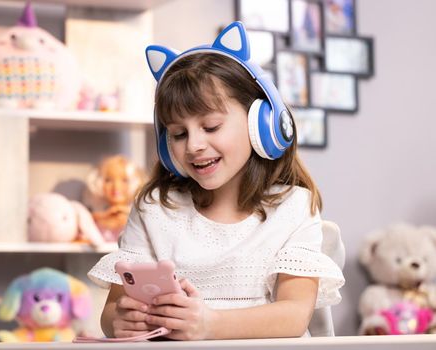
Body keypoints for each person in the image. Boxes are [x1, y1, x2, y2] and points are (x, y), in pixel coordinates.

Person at [87, 21, 345, 340]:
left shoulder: (293, 207)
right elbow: (114, 309)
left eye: (210, 127)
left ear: (260, 124)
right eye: (178, 133)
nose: (193, 145)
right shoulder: (154, 208)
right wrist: (120, 321)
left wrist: (210, 325)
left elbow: (293, 315)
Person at [91, 155, 145, 242]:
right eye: (108, 180)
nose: (116, 186)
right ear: (100, 182)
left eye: (124, 180)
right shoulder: (96, 219)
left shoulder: (140, 217)